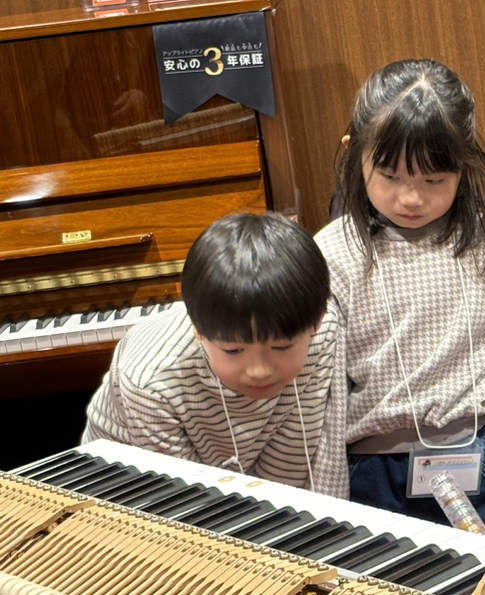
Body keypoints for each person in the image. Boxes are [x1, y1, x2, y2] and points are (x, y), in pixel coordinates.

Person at [316, 59, 485, 536]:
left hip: (472, 454)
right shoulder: (333, 254)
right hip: (368, 470)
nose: (411, 198)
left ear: (463, 162)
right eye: (391, 176)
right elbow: (320, 386)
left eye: (433, 180)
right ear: (353, 151)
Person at [83, 212, 348, 497]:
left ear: (316, 322)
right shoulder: (150, 379)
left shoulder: (321, 333)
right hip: (127, 486)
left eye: (281, 347)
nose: (259, 370)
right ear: (198, 330)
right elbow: (182, 497)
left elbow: (298, 463)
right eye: (233, 350)